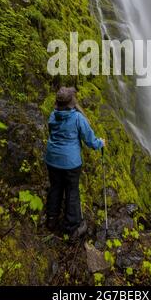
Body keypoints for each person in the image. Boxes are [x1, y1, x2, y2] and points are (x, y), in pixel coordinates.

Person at [45, 86, 105, 240]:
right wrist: (100, 143)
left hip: (52, 159)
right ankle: (72, 227)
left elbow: (51, 132)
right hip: (71, 163)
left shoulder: (52, 115)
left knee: (55, 188)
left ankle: (51, 220)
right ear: (71, 103)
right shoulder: (78, 118)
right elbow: (90, 140)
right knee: (72, 192)